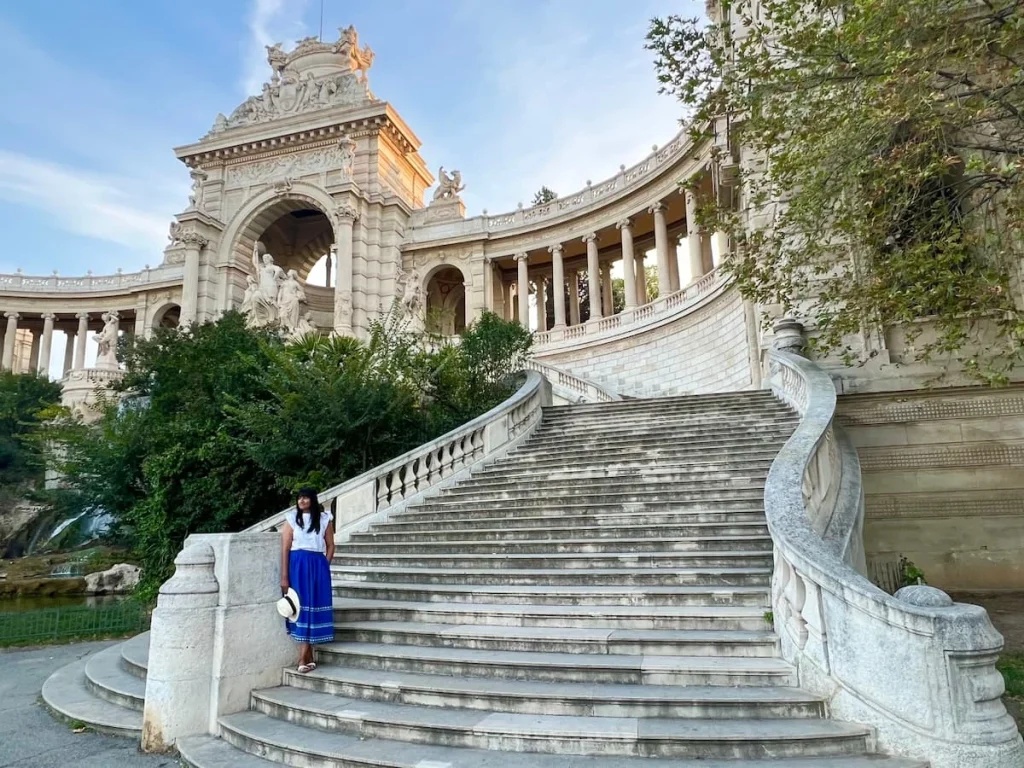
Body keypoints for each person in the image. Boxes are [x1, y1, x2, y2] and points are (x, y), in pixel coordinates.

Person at [279, 487, 335, 672]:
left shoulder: (325, 519)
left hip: (317, 564)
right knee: (302, 607)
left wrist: (324, 566)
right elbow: (285, 549)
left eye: (305, 498)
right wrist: (285, 577)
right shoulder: (292, 519)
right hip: (298, 564)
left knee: (314, 606)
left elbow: (331, 546)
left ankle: (306, 656)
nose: (302, 501)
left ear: (312, 499)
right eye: (299, 498)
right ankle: (304, 657)